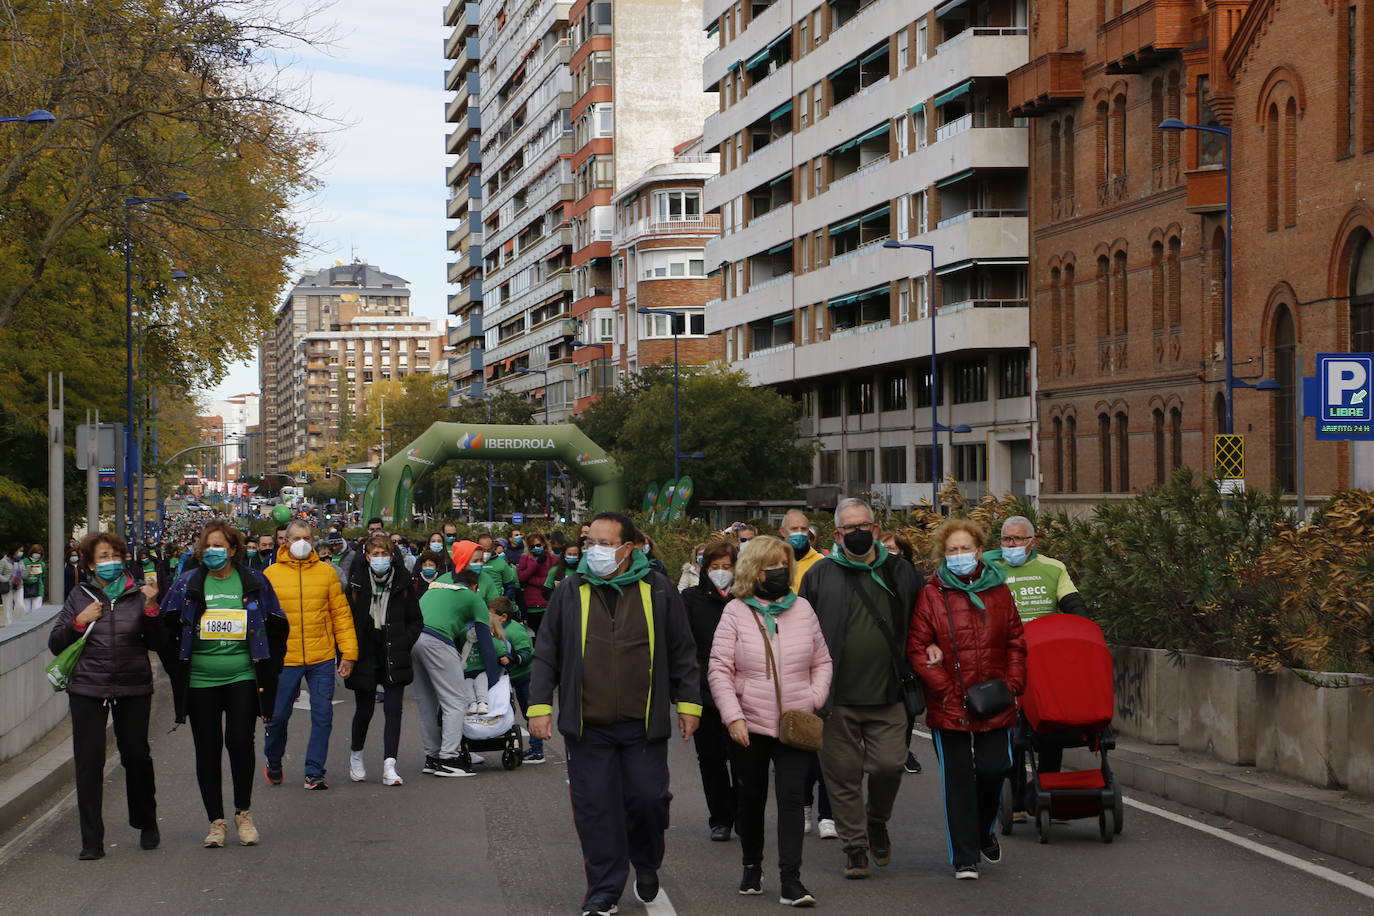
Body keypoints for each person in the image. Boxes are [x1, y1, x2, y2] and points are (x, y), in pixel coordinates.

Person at [529, 512, 701, 916]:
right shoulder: (571, 590)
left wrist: (689, 704)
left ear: (629, 548)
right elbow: (547, 652)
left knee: (648, 800)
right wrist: (539, 709)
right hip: (588, 726)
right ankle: (603, 890)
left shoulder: (659, 590)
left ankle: (646, 862)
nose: (595, 552)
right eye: (591, 543)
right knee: (596, 808)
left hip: (643, 726)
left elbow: (683, 651)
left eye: (606, 544)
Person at [797, 497, 930, 880]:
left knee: (890, 765)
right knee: (842, 775)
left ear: (876, 529)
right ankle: (855, 847)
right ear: (838, 535)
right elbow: (801, 631)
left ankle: (877, 821)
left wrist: (930, 647)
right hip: (835, 698)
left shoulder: (901, 572)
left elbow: (922, 620)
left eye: (864, 526)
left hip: (889, 694)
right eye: (849, 528)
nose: (858, 533)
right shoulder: (819, 575)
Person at [709, 536, 831, 907]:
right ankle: (751, 865)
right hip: (749, 724)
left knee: (793, 798)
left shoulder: (804, 609)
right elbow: (719, 670)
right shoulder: (735, 612)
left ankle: (791, 880)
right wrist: (733, 717)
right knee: (751, 797)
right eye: (769, 566)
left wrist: (812, 699)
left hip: (796, 723)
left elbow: (822, 661)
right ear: (752, 571)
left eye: (782, 564)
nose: (777, 571)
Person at [908, 517, 1026, 880]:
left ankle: (984, 829)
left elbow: (1015, 642)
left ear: (979, 550)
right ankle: (964, 856)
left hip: (994, 699)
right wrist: (944, 689)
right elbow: (916, 647)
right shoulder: (931, 594)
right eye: (952, 550)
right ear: (944, 555)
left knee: (994, 768)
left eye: (965, 549)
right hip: (950, 704)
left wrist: (1012, 685)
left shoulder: (1000, 591)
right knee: (957, 782)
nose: (960, 555)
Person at [160, 521, 288, 848]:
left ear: (233, 550)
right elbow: (164, 628)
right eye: (208, 546)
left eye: (220, 546)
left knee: (240, 742)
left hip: (242, 675)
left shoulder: (254, 582)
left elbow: (277, 625)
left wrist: (271, 668)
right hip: (201, 678)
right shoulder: (187, 583)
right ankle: (215, 822)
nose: (212, 552)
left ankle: (243, 813)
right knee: (207, 748)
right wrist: (177, 667)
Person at [49, 531, 165, 860]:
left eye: (115, 556)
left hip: (133, 685)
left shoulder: (139, 593)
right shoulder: (78, 595)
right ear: (89, 563)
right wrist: (78, 621)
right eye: (102, 557)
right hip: (88, 687)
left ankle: (146, 821)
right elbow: (56, 643)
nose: (110, 562)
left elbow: (158, 642)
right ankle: (91, 840)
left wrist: (153, 607)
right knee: (89, 763)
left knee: (136, 756)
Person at [984, 515, 1087, 819]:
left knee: (1051, 724)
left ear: (1032, 542)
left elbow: (1073, 604)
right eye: (1005, 539)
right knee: (1013, 732)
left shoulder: (1053, 569)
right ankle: (1014, 800)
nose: (1010, 545)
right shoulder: (992, 569)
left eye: (1017, 539)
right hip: (1005, 660)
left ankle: (1048, 793)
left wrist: (1082, 632)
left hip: (1046, 661)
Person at [262, 521, 358, 790]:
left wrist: (348, 653)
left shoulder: (327, 573)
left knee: (323, 715)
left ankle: (314, 771)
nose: (301, 543)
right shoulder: (270, 575)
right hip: (285, 659)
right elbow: (261, 620)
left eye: (306, 538)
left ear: (314, 540)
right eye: (296, 538)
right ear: (285, 542)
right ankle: (274, 759)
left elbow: (341, 615)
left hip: (322, 657)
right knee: (278, 716)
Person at [411, 540, 499, 778]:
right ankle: (449, 758)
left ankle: (432, 757)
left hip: (413, 639)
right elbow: (486, 643)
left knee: (427, 703)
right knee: (455, 701)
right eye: (477, 560)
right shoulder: (472, 598)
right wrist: (494, 678)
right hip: (438, 641)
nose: (481, 564)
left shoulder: (438, 585)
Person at [345, 532, 423, 786]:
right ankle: (356, 754)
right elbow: (346, 621)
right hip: (366, 652)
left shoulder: (402, 582)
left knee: (393, 710)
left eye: (384, 554)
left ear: (392, 556)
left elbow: (416, 619)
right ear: (367, 557)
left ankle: (390, 764)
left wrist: (404, 640)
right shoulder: (356, 584)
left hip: (394, 651)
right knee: (365, 709)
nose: (380, 559)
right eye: (375, 554)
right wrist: (346, 654)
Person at [681, 539, 739, 842]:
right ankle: (720, 817)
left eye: (727, 567)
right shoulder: (690, 599)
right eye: (715, 567)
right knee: (712, 758)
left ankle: (743, 813)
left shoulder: (745, 598)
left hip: (742, 693)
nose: (721, 572)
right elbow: (684, 648)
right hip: (704, 691)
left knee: (743, 758)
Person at [489, 597, 542, 763]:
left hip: (525, 676)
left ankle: (537, 751)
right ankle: (511, 743)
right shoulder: (495, 628)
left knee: (530, 712)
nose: (488, 617)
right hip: (509, 678)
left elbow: (526, 653)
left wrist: (512, 660)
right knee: (508, 711)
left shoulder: (515, 631)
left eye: (491, 614)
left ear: (503, 617)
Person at [516, 533, 555, 631]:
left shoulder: (552, 558)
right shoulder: (524, 558)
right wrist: (536, 564)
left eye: (538, 545)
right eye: (532, 546)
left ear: (544, 544)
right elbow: (522, 577)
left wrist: (532, 580)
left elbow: (553, 578)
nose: (536, 548)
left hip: (547, 605)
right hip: (531, 606)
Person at [780, 511, 825, 590]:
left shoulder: (820, 562)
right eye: (794, 529)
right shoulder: (772, 560)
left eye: (804, 529)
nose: (799, 533)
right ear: (783, 532)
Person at [21, 544, 46, 612]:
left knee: (36, 610)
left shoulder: (42, 564)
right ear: (31, 552)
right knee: (26, 611)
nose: (37, 554)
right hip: (25, 589)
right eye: (36, 552)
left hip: (38, 589)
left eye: (39, 553)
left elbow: (43, 576)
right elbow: (21, 575)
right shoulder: (24, 562)